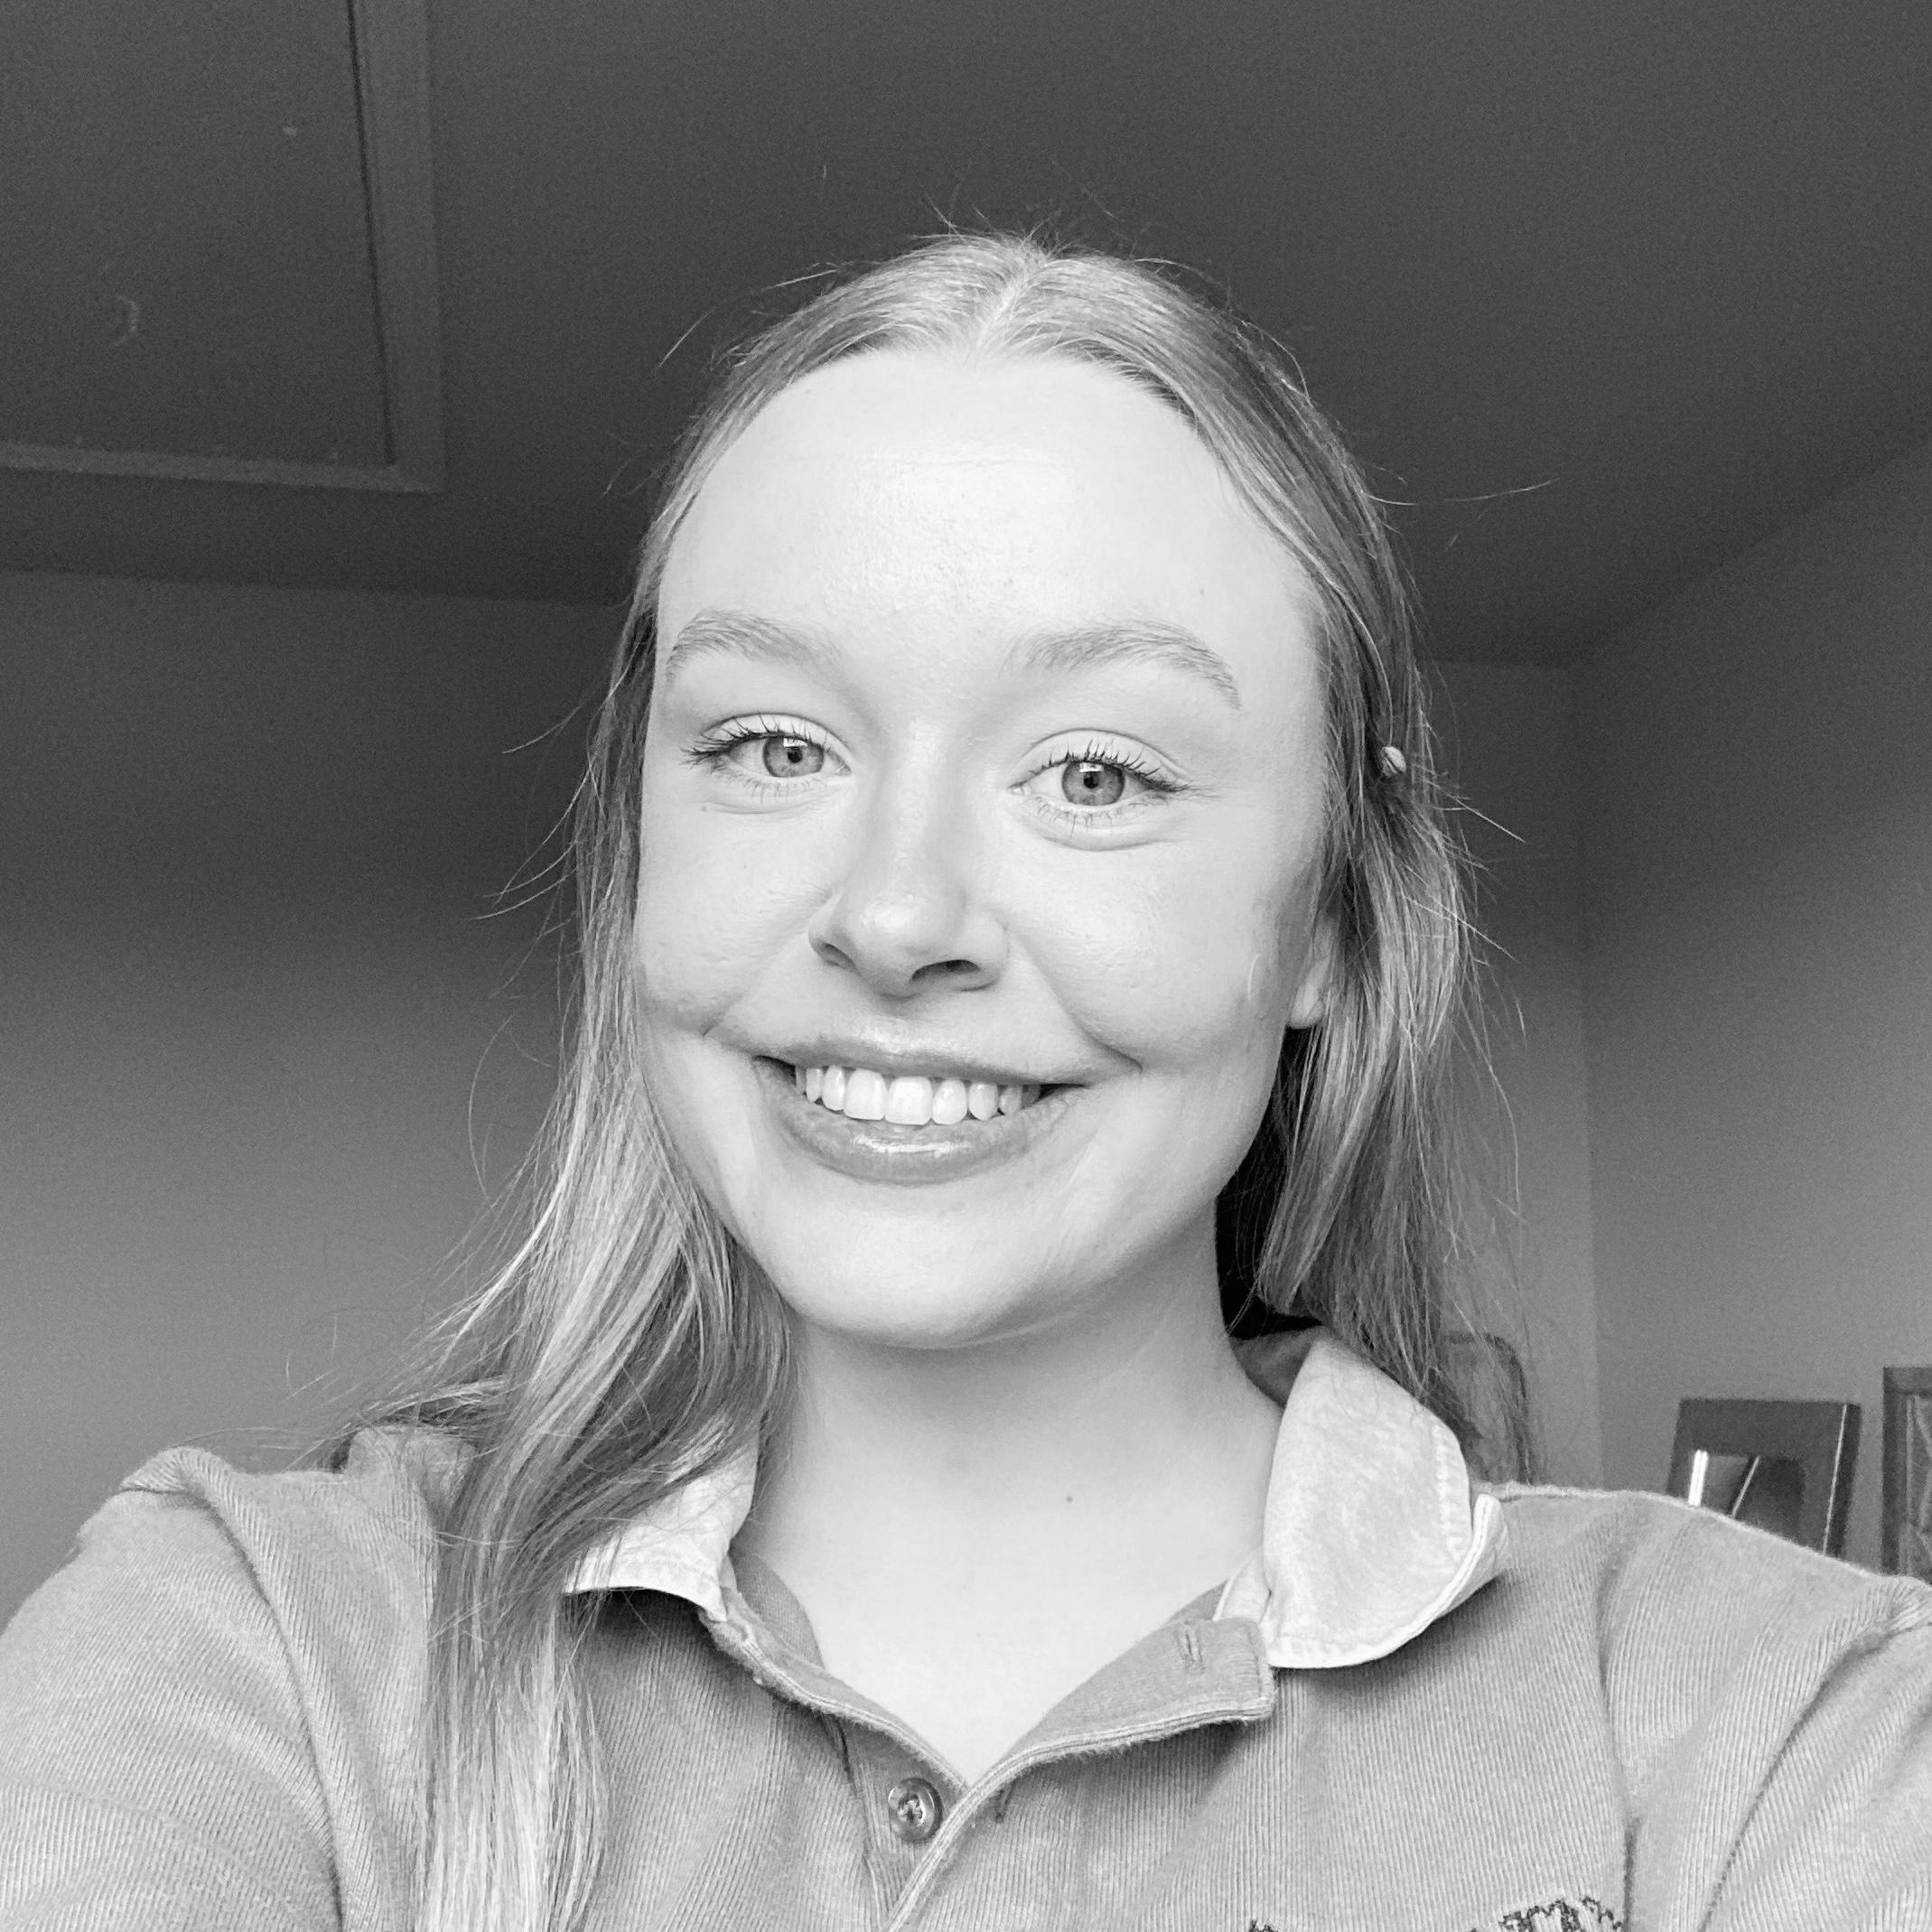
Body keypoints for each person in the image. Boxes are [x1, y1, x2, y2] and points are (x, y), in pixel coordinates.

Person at [2, 232, 1928, 1932]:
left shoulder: (1789, 1724)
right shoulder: (244, 1643)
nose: (895, 913)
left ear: (1331, 923)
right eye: (771, 744)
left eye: (1094, 771)